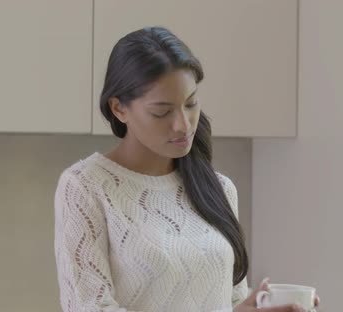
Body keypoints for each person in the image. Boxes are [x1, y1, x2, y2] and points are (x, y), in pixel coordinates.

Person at [54, 26, 317, 312]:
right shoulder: (86, 186)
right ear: (119, 108)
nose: (183, 124)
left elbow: (229, 302)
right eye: (162, 111)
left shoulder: (219, 188)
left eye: (190, 104)